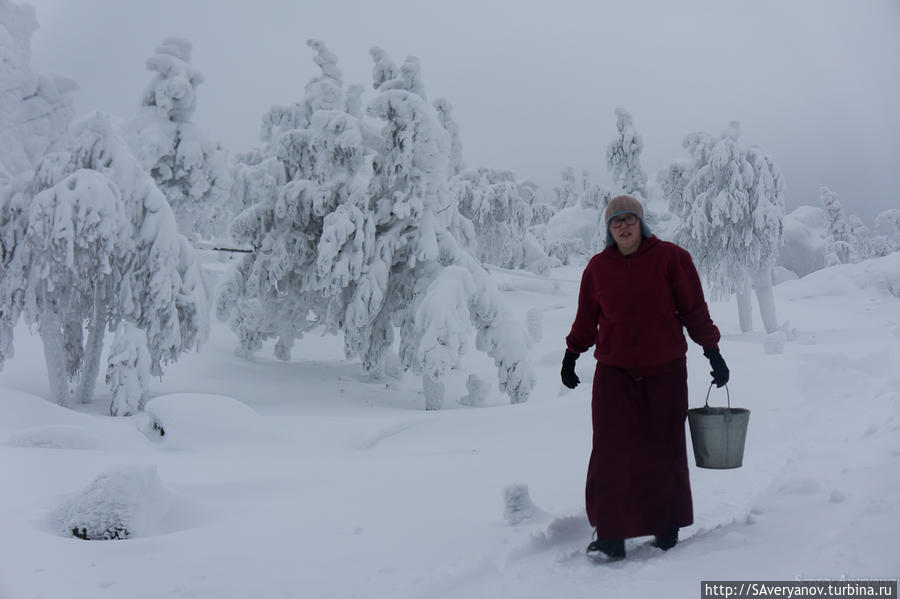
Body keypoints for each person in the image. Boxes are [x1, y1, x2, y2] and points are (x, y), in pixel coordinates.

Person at [561, 194, 729, 560]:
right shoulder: (597, 268)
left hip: (665, 370)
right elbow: (587, 318)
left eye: (629, 219)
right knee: (611, 452)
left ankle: (666, 527)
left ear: (642, 222)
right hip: (614, 374)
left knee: (664, 448)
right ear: (608, 229)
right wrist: (571, 354)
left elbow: (694, 310)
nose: (623, 226)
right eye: (615, 221)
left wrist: (712, 351)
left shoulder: (671, 258)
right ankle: (611, 535)